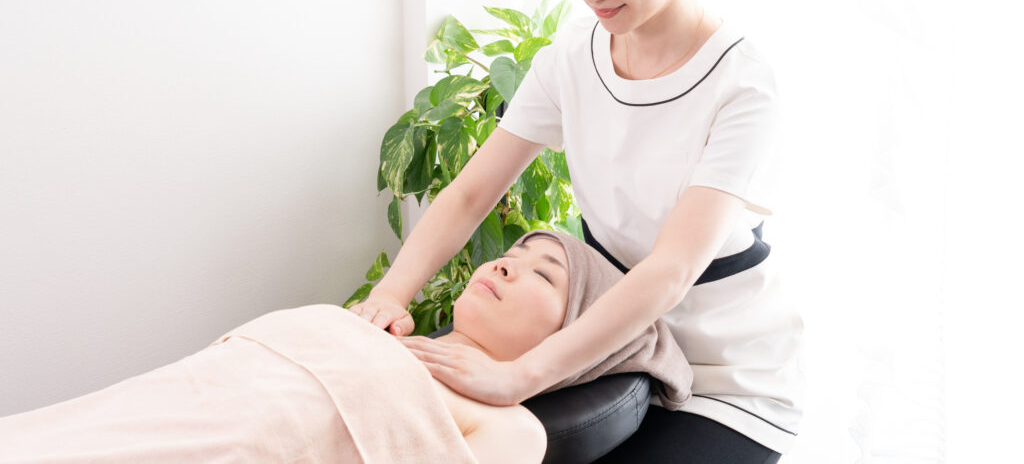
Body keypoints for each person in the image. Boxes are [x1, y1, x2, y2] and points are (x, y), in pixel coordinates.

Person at [351, 0, 804, 462]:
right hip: (605, 357)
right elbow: (473, 192)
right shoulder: (573, 55)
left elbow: (671, 270)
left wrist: (520, 375)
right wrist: (389, 297)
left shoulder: (742, 85)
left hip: (723, 377)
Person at [0, 231, 691, 464]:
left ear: (576, 335)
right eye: (511, 252)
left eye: (544, 274)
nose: (506, 265)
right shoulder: (384, 330)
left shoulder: (513, 425)